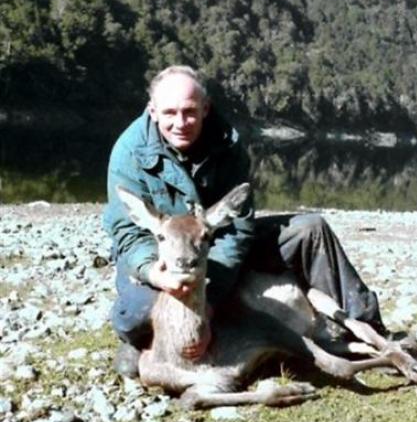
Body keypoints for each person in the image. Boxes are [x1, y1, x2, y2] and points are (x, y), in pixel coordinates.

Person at [104, 65, 385, 378]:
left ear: (205, 109)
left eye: (190, 112)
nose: (180, 122)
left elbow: (237, 228)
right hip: (164, 258)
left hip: (212, 246)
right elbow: (126, 232)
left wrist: (210, 298)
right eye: (170, 113)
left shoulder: (227, 143)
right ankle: (149, 341)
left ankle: (371, 332)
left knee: (310, 229)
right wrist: (153, 272)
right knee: (133, 317)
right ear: (152, 111)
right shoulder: (128, 152)